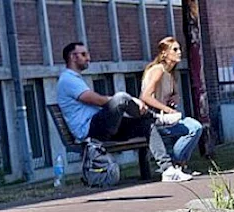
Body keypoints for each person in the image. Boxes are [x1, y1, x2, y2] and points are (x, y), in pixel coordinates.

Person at [56, 42, 187, 183]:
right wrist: (132, 102)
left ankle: (168, 170)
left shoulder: (75, 78)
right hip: (89, 131)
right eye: (83, 54)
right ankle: (156, 117)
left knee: (146, 124)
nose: (88, 58)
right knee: (121, 98)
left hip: (100, 127)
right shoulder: (67, 79)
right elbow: (96, 100)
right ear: (73, 57)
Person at [139, 38, 203, 178]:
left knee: (195, 127)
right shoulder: (158, 70)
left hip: (166, 118)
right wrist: (167, 109)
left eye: (179, 49)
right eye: (175, 49)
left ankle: (179, 164)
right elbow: (146, 96)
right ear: (164, 53)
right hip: (153, 118)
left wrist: (175, 98)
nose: (179, 52)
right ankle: (175, 164)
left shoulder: (171, 73)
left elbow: (174, 94)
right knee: (194, 128)